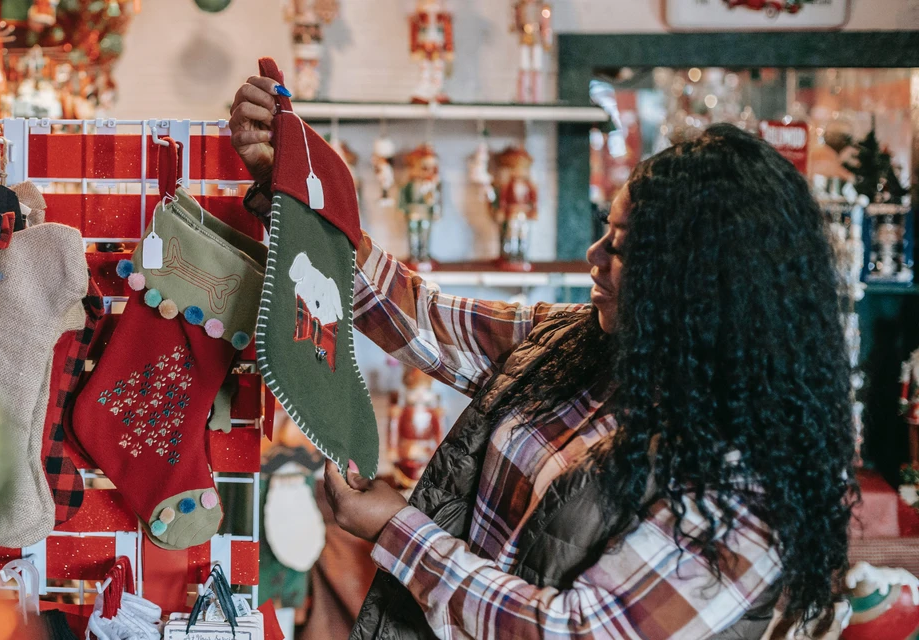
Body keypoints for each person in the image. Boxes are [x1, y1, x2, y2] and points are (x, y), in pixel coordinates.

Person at [230, 76, 857, 639]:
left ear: (704, 283)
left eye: (624, 248)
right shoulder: (582, 345)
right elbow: (420, 317)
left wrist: (397, 530)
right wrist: (292, 181)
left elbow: (573, 632)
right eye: (605, 230)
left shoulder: (744, 496)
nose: (594, 254)